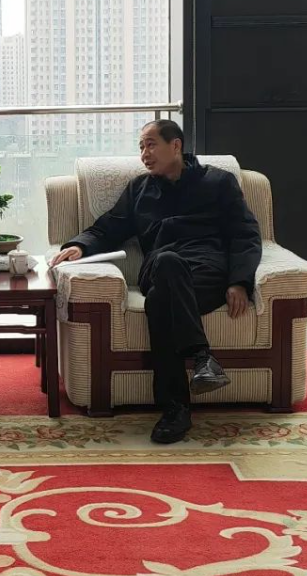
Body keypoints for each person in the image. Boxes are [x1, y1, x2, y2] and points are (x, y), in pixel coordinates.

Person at [50, 119, 261, 444]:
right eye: (141, 147)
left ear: (175, 145)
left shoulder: (219, 182)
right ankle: (201, 356)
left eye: (150, 145)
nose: (144, 154)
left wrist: (240, 281)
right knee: (167, 262)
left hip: (205, 274)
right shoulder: (139, 189)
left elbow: (245, 234)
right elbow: (109, 227)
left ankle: (176, 409)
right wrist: (79, 245)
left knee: (161, 303)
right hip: (160, 267)